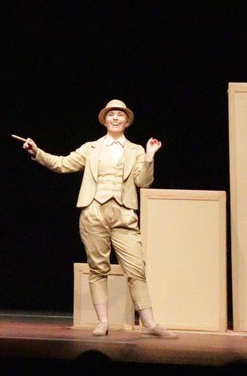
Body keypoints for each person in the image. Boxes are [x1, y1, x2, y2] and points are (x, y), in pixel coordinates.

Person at [20, 98, 175, 338]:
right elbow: (62, 164)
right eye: (111, 114)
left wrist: (149, 157)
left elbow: (143, 182)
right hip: (94, 212)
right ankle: (103, 321)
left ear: (127, 121)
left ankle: (150, 324)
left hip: (124, 214)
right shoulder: (91, 148)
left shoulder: (136, 150)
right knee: (98, 268)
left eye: (120, 115)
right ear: (104, 120)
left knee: (136, 269)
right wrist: (37, 153)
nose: (116, 118)